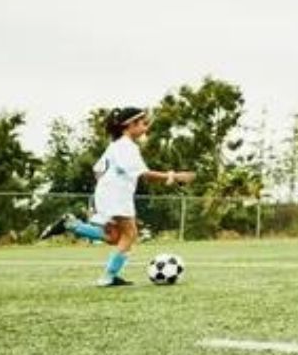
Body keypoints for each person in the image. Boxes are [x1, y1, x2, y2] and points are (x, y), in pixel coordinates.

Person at [39, 107, 195, 285]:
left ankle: (72, 225)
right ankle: (108, 277)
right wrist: (174, 176)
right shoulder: (126, 147)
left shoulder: (116, 146)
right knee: (130, 234)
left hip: (108, 193)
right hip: (116, 195)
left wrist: (107, 185)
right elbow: (144, 175)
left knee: (115, 237)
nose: (145, 128)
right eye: (143, 124)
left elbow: (97, 169)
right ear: (130, 125)